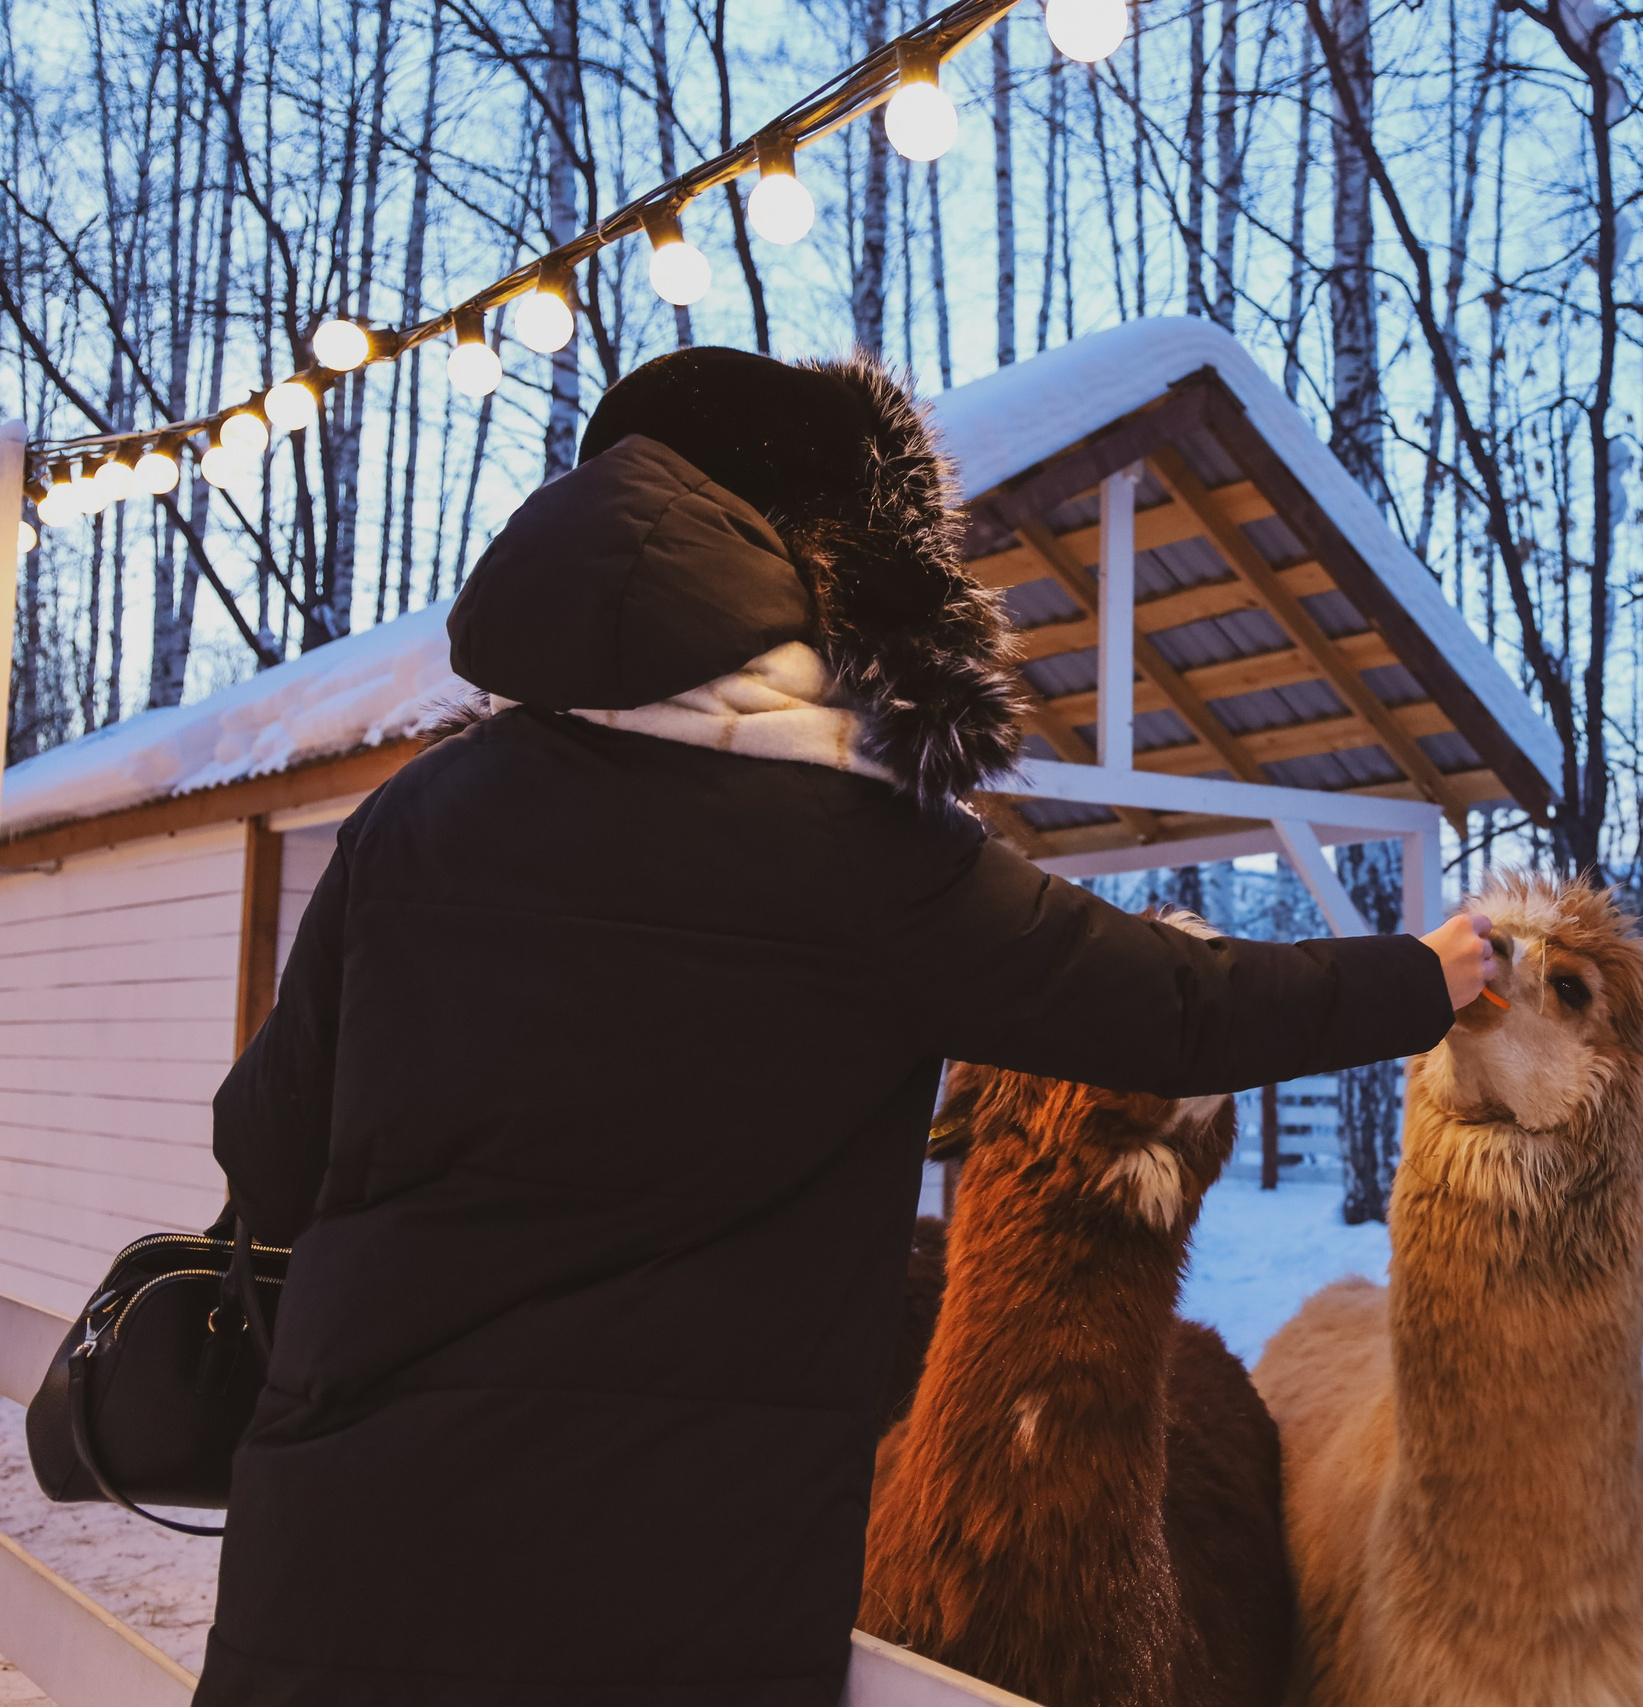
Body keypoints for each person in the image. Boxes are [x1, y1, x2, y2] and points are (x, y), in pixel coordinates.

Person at [193, 346, 1493, 1707]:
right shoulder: (866, 858)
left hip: (347, 1571)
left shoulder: (419, 816)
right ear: (839, 576)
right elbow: (1176, 1011)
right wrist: (1426, 975)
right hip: (662, 1610)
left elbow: (264, 1147)